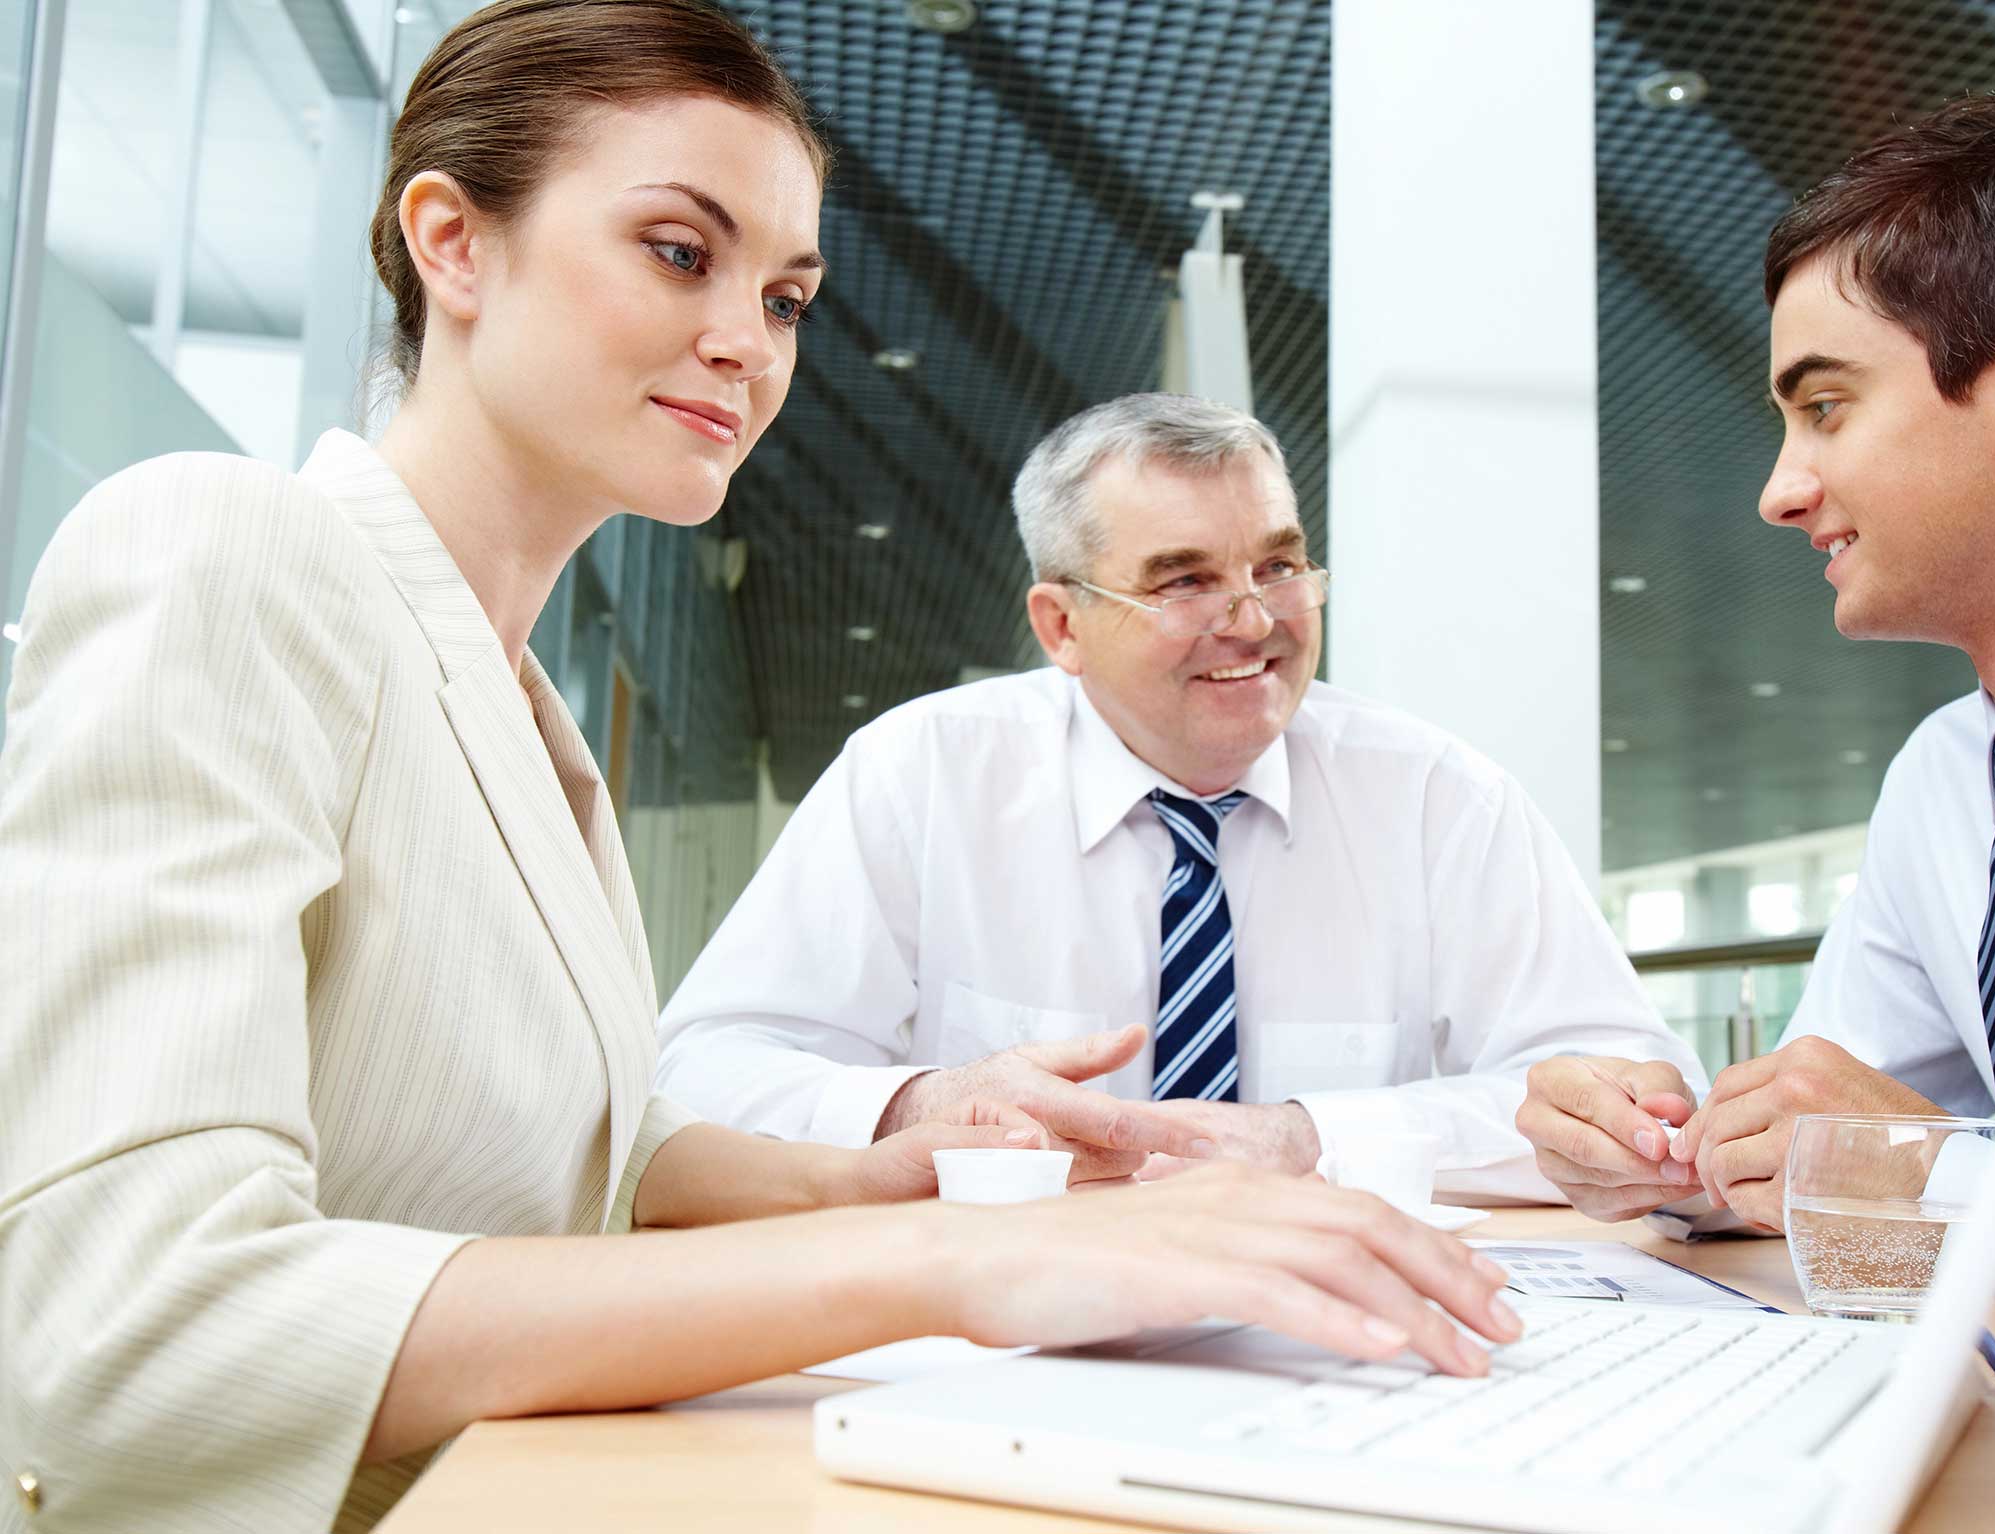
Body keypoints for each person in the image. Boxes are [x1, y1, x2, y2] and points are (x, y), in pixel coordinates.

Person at [0, 6, 1522, 1530]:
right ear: (453, 244)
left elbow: (561, 1144)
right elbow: (132, 1321)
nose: (749, 340)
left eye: (787, 295)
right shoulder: (226, 546)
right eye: (681, 251)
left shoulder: (516, 702)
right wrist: (956, 1263)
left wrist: (893, 1176)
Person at [1516, 96, 1995, 1360]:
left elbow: (1938, 1177)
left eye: (1823, 407)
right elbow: (1853, 1149)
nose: (1779, 491)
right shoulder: (1952, 779)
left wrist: (1965, 1187)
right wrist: (1672, 1158)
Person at [656, 391, 1704, 1201]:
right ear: (1059, 625)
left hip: (1343, 1328)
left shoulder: (1437, 796)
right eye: (1183, 580)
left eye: (1279, 565)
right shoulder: (921, 773)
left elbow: (1636, 1086)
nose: (1252, 621)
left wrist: (1309, 1138)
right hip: (1001, 1323)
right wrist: (921, 1102)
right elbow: (701, 1071)